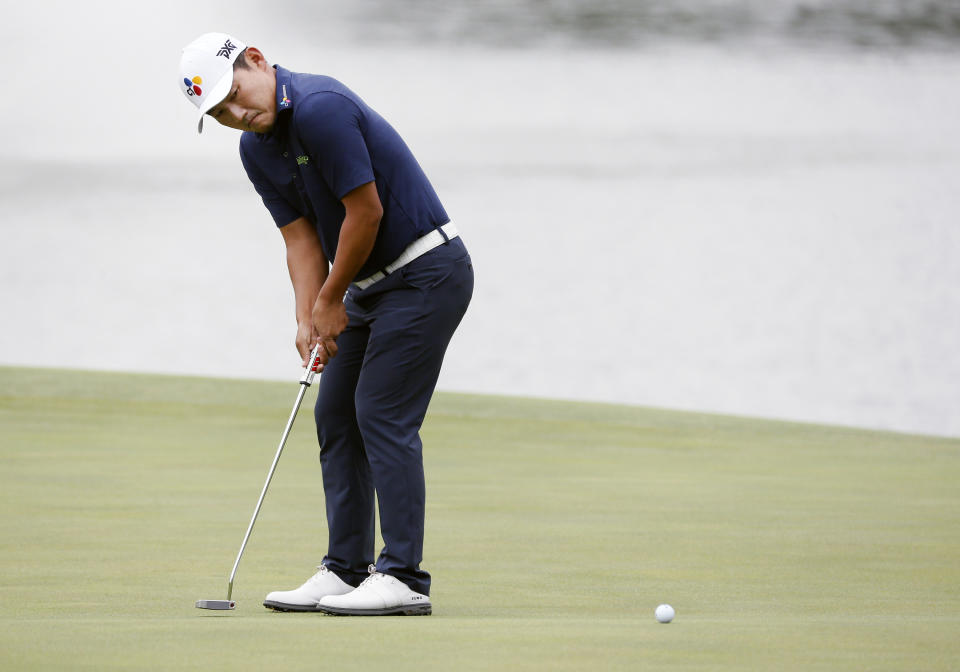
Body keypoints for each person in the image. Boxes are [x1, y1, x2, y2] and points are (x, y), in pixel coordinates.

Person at [179, 33, 473, 616]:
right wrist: (308, 316)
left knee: (381, 414)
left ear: (258, 61)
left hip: (424, 272)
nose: (239, 115)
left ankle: (404, 578)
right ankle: (345, 569)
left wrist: (330, 301)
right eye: (221, 114)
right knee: (335, 414)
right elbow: (300, 238)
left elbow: (366, 212)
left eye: (236, 95)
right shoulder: (255, 150)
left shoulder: (320, 108)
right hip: (363, 285)